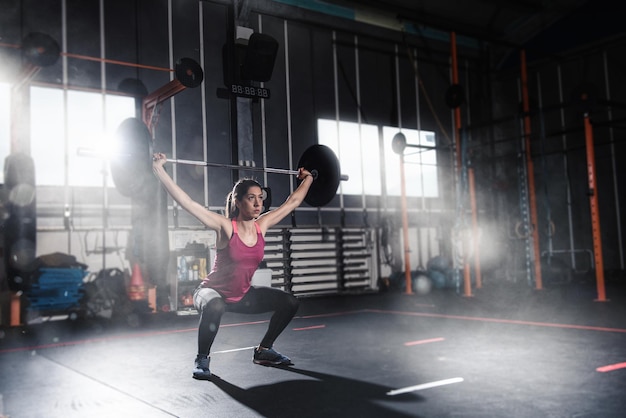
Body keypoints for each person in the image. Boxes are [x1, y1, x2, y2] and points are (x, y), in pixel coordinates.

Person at [152, 152, 314, 380]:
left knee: (289, 302)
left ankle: (264, 350)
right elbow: (187, 203)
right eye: (251, 198)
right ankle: (202, 358)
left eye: (260, 197)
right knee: (216, 305)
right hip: (210, 293)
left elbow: (293, 202)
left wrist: (308, 178)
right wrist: (159, 169)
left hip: (242, 295)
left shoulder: (262, 225)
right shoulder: (225, 226)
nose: (258, 203)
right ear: (238, 202)